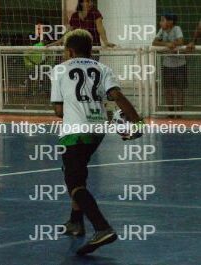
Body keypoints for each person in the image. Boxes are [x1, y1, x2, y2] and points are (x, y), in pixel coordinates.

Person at [50, 29, 143, 255]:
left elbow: (58, 110)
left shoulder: (59, 70)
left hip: (74, 132)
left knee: (74, 185)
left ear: (70, 51)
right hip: (98, 130)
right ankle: (75, 222)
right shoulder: (103, 69)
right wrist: (137, 124)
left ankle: (102, 228)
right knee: (77, 173)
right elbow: (117, 97)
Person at [152, 13, 187, 115]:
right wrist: (167, 44)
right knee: (168, 90)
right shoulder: (162, 31)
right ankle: (170, 113)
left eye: (162, 20)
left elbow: (180, 41)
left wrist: (174, 44)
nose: (160, 22)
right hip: (167, 65)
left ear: (170, 22)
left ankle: (180, 113)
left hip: (180, 64)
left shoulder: (177, 29)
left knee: (179, 90)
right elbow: (154, 42)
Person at [49, 0, 115, 47]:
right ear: (81, 3)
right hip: (78, 50)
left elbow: (100, 28)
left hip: (92, 49)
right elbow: (68, 33)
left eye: (91, 1)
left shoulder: (95, 13)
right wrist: (55, 43)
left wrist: (106, 42)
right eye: (87, 1)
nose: (90, 3)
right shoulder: (74, 16)